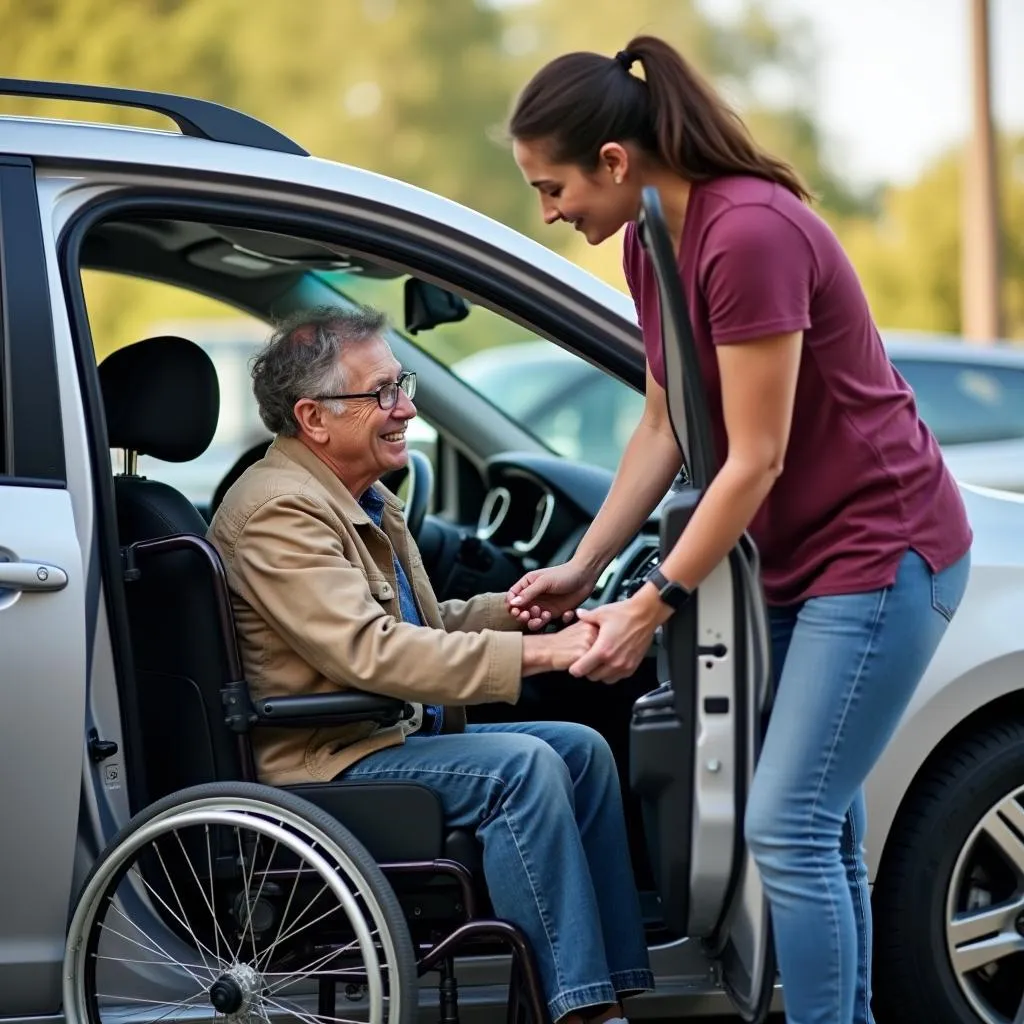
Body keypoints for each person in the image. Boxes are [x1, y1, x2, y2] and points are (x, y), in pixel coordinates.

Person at [506, 35, 972, 1024]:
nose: (548, 212)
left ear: (615, 162)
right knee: (822, 832)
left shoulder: (748, 232)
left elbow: (752, 456)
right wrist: (582, 566)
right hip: (804, 567)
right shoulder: (650, 242)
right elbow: (665, 422)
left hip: (880, 553)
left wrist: (651, 601)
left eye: (552, 188)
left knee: (787, 825)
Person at [207, 305, 653, 1024]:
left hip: (378, 738)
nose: (406, 406)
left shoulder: (362, 497)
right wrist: (543, 654)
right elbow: (373, 652)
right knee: (521, 769)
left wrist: (523, 609)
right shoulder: (276, 512)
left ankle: (614, 991)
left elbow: (418, 623)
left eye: (401, 383)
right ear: (314, 418)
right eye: (382, 392)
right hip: (325, 763)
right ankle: (576, 1011)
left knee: (581, 750)